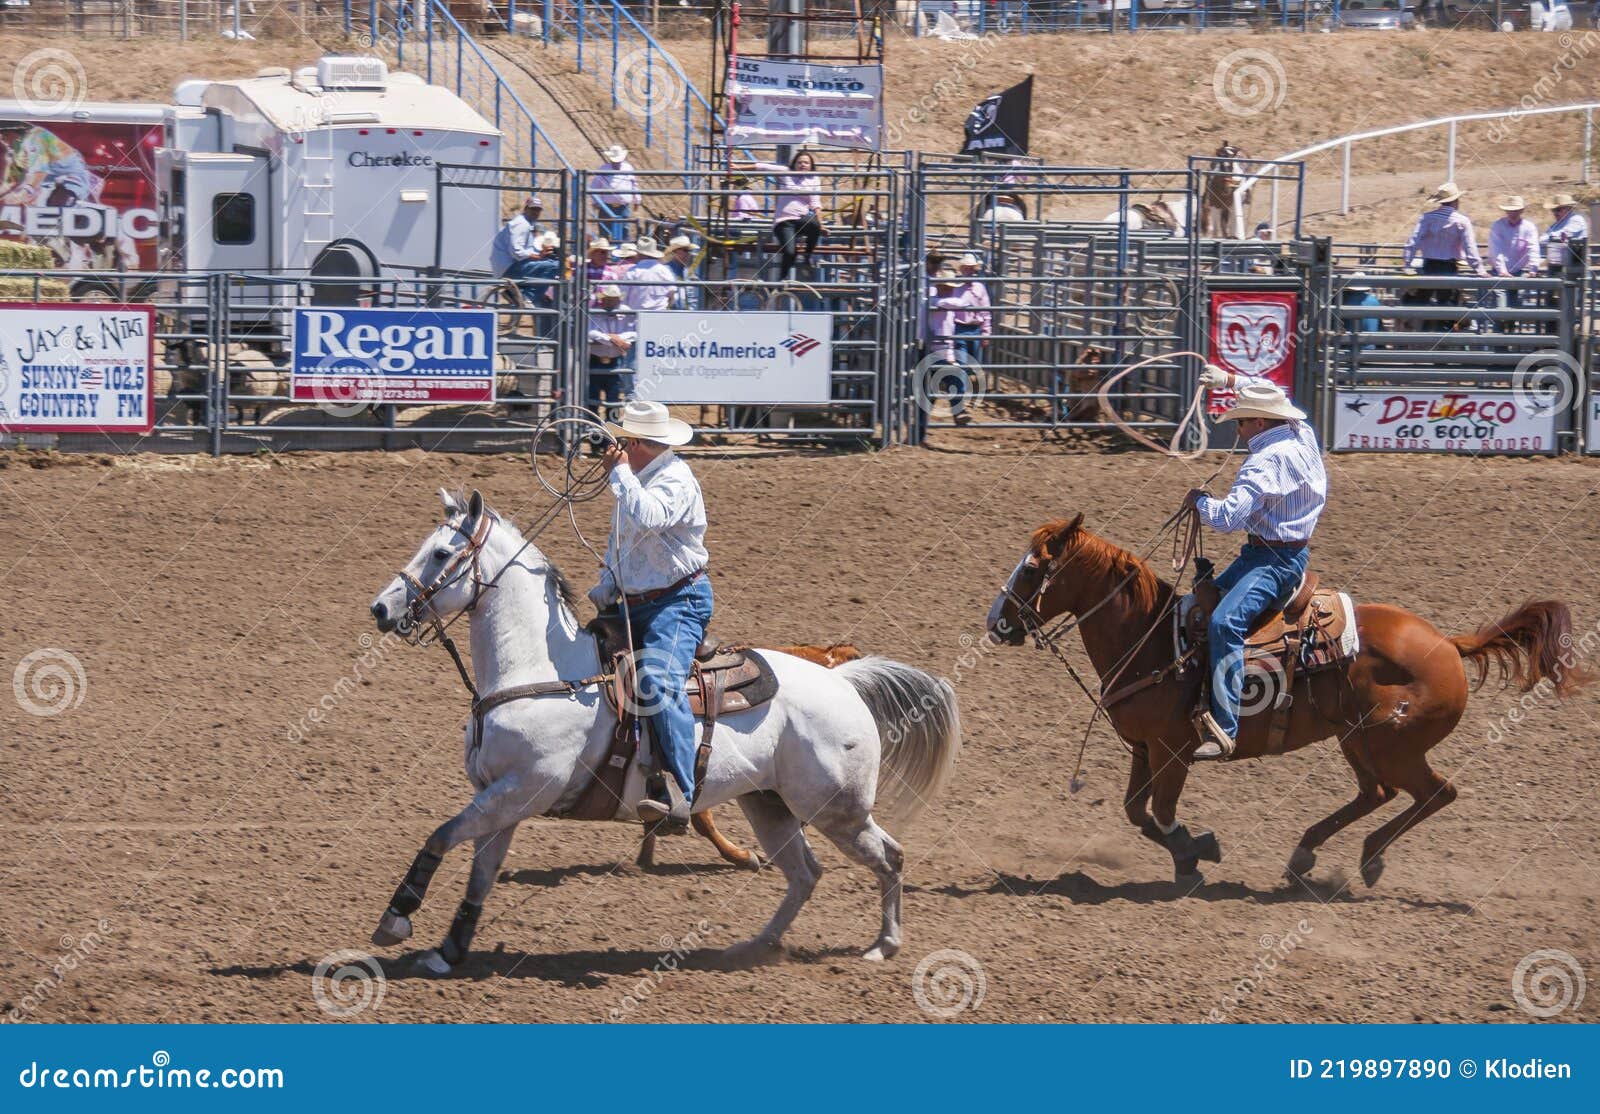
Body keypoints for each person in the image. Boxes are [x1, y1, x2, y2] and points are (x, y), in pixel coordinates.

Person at [1184, 368, 1327, 761]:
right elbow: (1270, 391)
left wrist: (1199, 502)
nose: (1239, 430)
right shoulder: (1301, 432)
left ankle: (1225, 727)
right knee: (1201, 602)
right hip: (1281, 553)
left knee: (1223, 621)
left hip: (1272, 563)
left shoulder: (1265, 462)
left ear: (1260, 422)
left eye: (1242, 421)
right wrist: (1228, 381)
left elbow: (1228, 519)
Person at [589, 400, 712, 829]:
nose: (615, 447)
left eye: (623, 439)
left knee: (658, 680)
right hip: (634, 603)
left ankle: (682, 791)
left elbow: (649, 518)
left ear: (638, 443)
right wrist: (606, 587)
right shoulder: (637, 479)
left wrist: (619, 474)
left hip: (679, 602)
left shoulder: (676, 479)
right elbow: (620, 540)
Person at [1401, 181, 1486, 331]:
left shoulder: (1427, 218)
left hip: (1428, 266)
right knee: (1447, 306)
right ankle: (1444, 338)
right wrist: (1480, 270)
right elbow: (1470, 248)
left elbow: (1413, 241)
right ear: (1455, 201)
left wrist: (1407, 263)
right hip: (1449, 267)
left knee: (1421, 303)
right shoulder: (1462, 221)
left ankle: (1418, 335)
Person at [741, 150, 825, 282]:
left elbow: (816, 204)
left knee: (815, 224)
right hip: (784, 222)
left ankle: (808, 255)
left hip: (800, 219)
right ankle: (783, 278)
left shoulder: (813, 179)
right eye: (800, 162)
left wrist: (822, 224)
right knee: (790, 252)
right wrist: (738, 168)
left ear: (811, 165)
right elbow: (762, 166)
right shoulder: (786, 172)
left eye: (806, 162)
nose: (803, 165)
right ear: (795, 164)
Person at [922, 263, 977, 428]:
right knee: (953, 377)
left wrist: (951, 357)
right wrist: (966, 304)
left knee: (933, 388)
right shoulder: (936, 302)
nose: (952, 289)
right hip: (932, 350)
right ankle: (958, 412)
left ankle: (920, 423)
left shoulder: (941, 303)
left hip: (940, 351)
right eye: (948, 286)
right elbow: (954, 303)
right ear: (941, 287)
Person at [0, 122, 98, 206]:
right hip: (50, 184)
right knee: (42, 212)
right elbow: (13, 180)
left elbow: (40, 171)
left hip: (72, 178)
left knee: (57, 205)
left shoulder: (34, 137)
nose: (2, 139)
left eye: (4, 134)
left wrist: (25, 192)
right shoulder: (16, 149)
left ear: (15, 132)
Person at [585, 284, 636, 419]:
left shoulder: (626, 311)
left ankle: (611, 434)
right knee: (593, 398)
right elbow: (590, 333)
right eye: (608, 299)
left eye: (614, 299)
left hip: (615, 361)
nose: (611, 302)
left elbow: (634, 332)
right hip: (596, 360)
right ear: (603, 300)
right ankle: (594, 433)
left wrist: (617, 338)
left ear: (619, 300)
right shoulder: (594, 311)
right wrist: (612, 339)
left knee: (613, 400)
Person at [1488, 194, 1540, 310]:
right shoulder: (1498, 226)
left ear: (1521, 211)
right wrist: (1502, 271)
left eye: (1515, 210)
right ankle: (1500, 327)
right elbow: (1496, 249)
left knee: (1515, 308)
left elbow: (1533, 248)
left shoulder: (1529, 227)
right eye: (1510, 210)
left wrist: (1533, 269)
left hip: (1518, 272)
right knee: (1500, 307)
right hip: (1499, 272)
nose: (1512, 213)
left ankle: (1510, 326)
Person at [489, 195, 543, 291]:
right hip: (508, 268)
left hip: (505, 267)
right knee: (551, 267)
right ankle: (529, 298)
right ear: (526, 209)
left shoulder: (527, 223)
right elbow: (516, 252)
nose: (536, 212)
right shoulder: (522, 224)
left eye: (538, 210)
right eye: (533, 209)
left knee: (543, 265)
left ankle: (522, 295)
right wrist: (534, 256)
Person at [952, 252, 991, 372]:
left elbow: (986, 311)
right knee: (962, 363)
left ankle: (973, 389)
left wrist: (986, 332)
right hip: (959, 328)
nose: (968, 270)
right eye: (966, 268)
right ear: (962, 269)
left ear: (974, 269)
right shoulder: (955, 286)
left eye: (970, 268)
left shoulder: (980, 287)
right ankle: (963, 390)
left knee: (974, 365)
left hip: (975, 329)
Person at [593, 144, 640, 243]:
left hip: (623, 206)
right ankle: (605, 251)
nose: (616, 163)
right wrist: (596, 201)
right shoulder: (604, 169)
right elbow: (595, 186)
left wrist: (637, 200)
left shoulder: (628, 168)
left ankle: (623, 253)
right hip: (606, 206)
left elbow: (634, 184)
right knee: (604, 231)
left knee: (624, 230)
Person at [623, 236, 677, 313]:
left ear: (638, 253)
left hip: (635, 319)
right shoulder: (665, 271)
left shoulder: (631, 272)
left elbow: (623, 298)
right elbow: (672, 296)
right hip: (659, 317)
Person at [1541, 192, 1588, 269]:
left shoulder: (1577, 220)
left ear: (1568, 209)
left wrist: (1545, 239)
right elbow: (1545, 239)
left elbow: (1559, 237)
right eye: (1553, 210)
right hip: (1558, 265)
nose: (1555, 213)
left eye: (1558, 209)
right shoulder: (1557, 224)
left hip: (1575, 267)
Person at [665, 233, 698, 309]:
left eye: (689, 251)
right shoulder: (665, 271)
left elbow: (691, 297)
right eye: (686, 250)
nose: (689, 254)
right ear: (675, 251)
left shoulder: (687, 272)